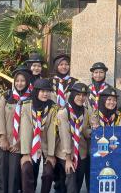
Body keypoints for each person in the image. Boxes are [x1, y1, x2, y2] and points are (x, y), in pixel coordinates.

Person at [0, 66, 32, 193]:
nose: (19, 83)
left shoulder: (31, 99)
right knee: (2, 173)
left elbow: (31, 124)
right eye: (17, 81)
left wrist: (20, 142)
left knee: (14, 176)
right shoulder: (6, 96)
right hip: (2, 142)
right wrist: (3, 138)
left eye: (23, 81)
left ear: (27, 82)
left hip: (18, 144)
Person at [19, 79, 57, 193]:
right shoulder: (27, 105)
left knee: (48, 172)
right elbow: (25, 129)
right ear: (36, 92)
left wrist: (50, 155)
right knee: (26, 169)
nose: (45, 94)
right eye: (42, 91)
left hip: (46, 145)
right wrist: (26, 153)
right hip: (31, 145)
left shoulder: (52, 107)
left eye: (48, 91)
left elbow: (51, 132)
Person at [57, 82, 91, 193]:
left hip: (81, 151)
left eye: (84, 95)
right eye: (78, 94)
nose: (81, 98)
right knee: (71, 177)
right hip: (66, 152)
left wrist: (96, 131)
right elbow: (65, 135)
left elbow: (84, 131)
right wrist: (68, 158)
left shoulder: (85, 111)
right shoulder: (63, 112)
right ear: (72, 95)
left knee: (78, 181)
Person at [50, 54, 76, 193]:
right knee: (54, 155)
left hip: (67, 122)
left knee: (64, 151)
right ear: (56, 66)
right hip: (51, 123)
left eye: (66, 64)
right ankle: (58, 186)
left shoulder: (74, 82)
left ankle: (66, 187)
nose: (64, 67)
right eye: (61, 64)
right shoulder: (49, 82)